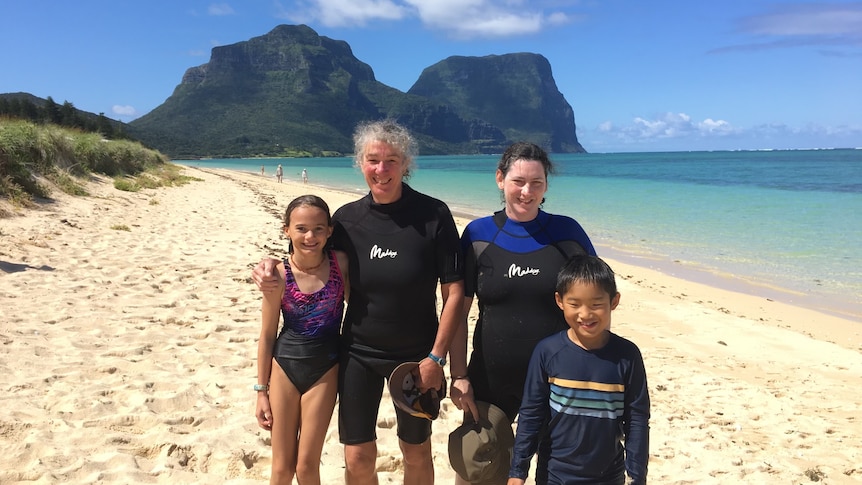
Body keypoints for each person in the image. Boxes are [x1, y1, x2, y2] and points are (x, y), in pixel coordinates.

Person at [253, 119, 464, 485]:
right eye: (373, 160)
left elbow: (455, 294)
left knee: (415, 452)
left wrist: (436, 358)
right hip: (357, 354)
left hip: (417, 356)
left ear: (406, 163)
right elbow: (311, 260)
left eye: (391, 160)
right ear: (360, 163)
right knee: (358, 456)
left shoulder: (434, 215)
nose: (381, 170)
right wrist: (269, 265)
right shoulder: (346, 220)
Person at [448, 142, 596, 485]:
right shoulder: (478, 235)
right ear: (500, 179)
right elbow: (458, 310)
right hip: (490, 376)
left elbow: (594, 305)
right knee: (477, 470)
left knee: (556, 473)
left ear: (546, 186)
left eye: (536, 183)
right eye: (518, 181)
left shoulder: (567, 234)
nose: (526, 192)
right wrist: (459, 374)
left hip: (558, 379)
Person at [507, 255, 650, 485]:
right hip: (555, 475)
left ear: (614, 301)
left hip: (609, 477)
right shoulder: (547, 352)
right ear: (560, 301)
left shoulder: (627, 355)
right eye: (575, 304)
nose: (585, 314)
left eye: (596, 304)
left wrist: (637, 476)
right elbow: (531, 414)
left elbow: (637, 420)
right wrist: (517, 471)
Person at [255, 194, 350, 484]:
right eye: (301, 228)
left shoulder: (341, 264)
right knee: (282, 468)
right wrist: (261, 390)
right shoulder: (278, 276)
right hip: (285, 366)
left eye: (319, 228)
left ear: (330, 230)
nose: (310, 236)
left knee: (307, 467)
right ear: (286, 230)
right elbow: (268, 333)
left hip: (326, 368)